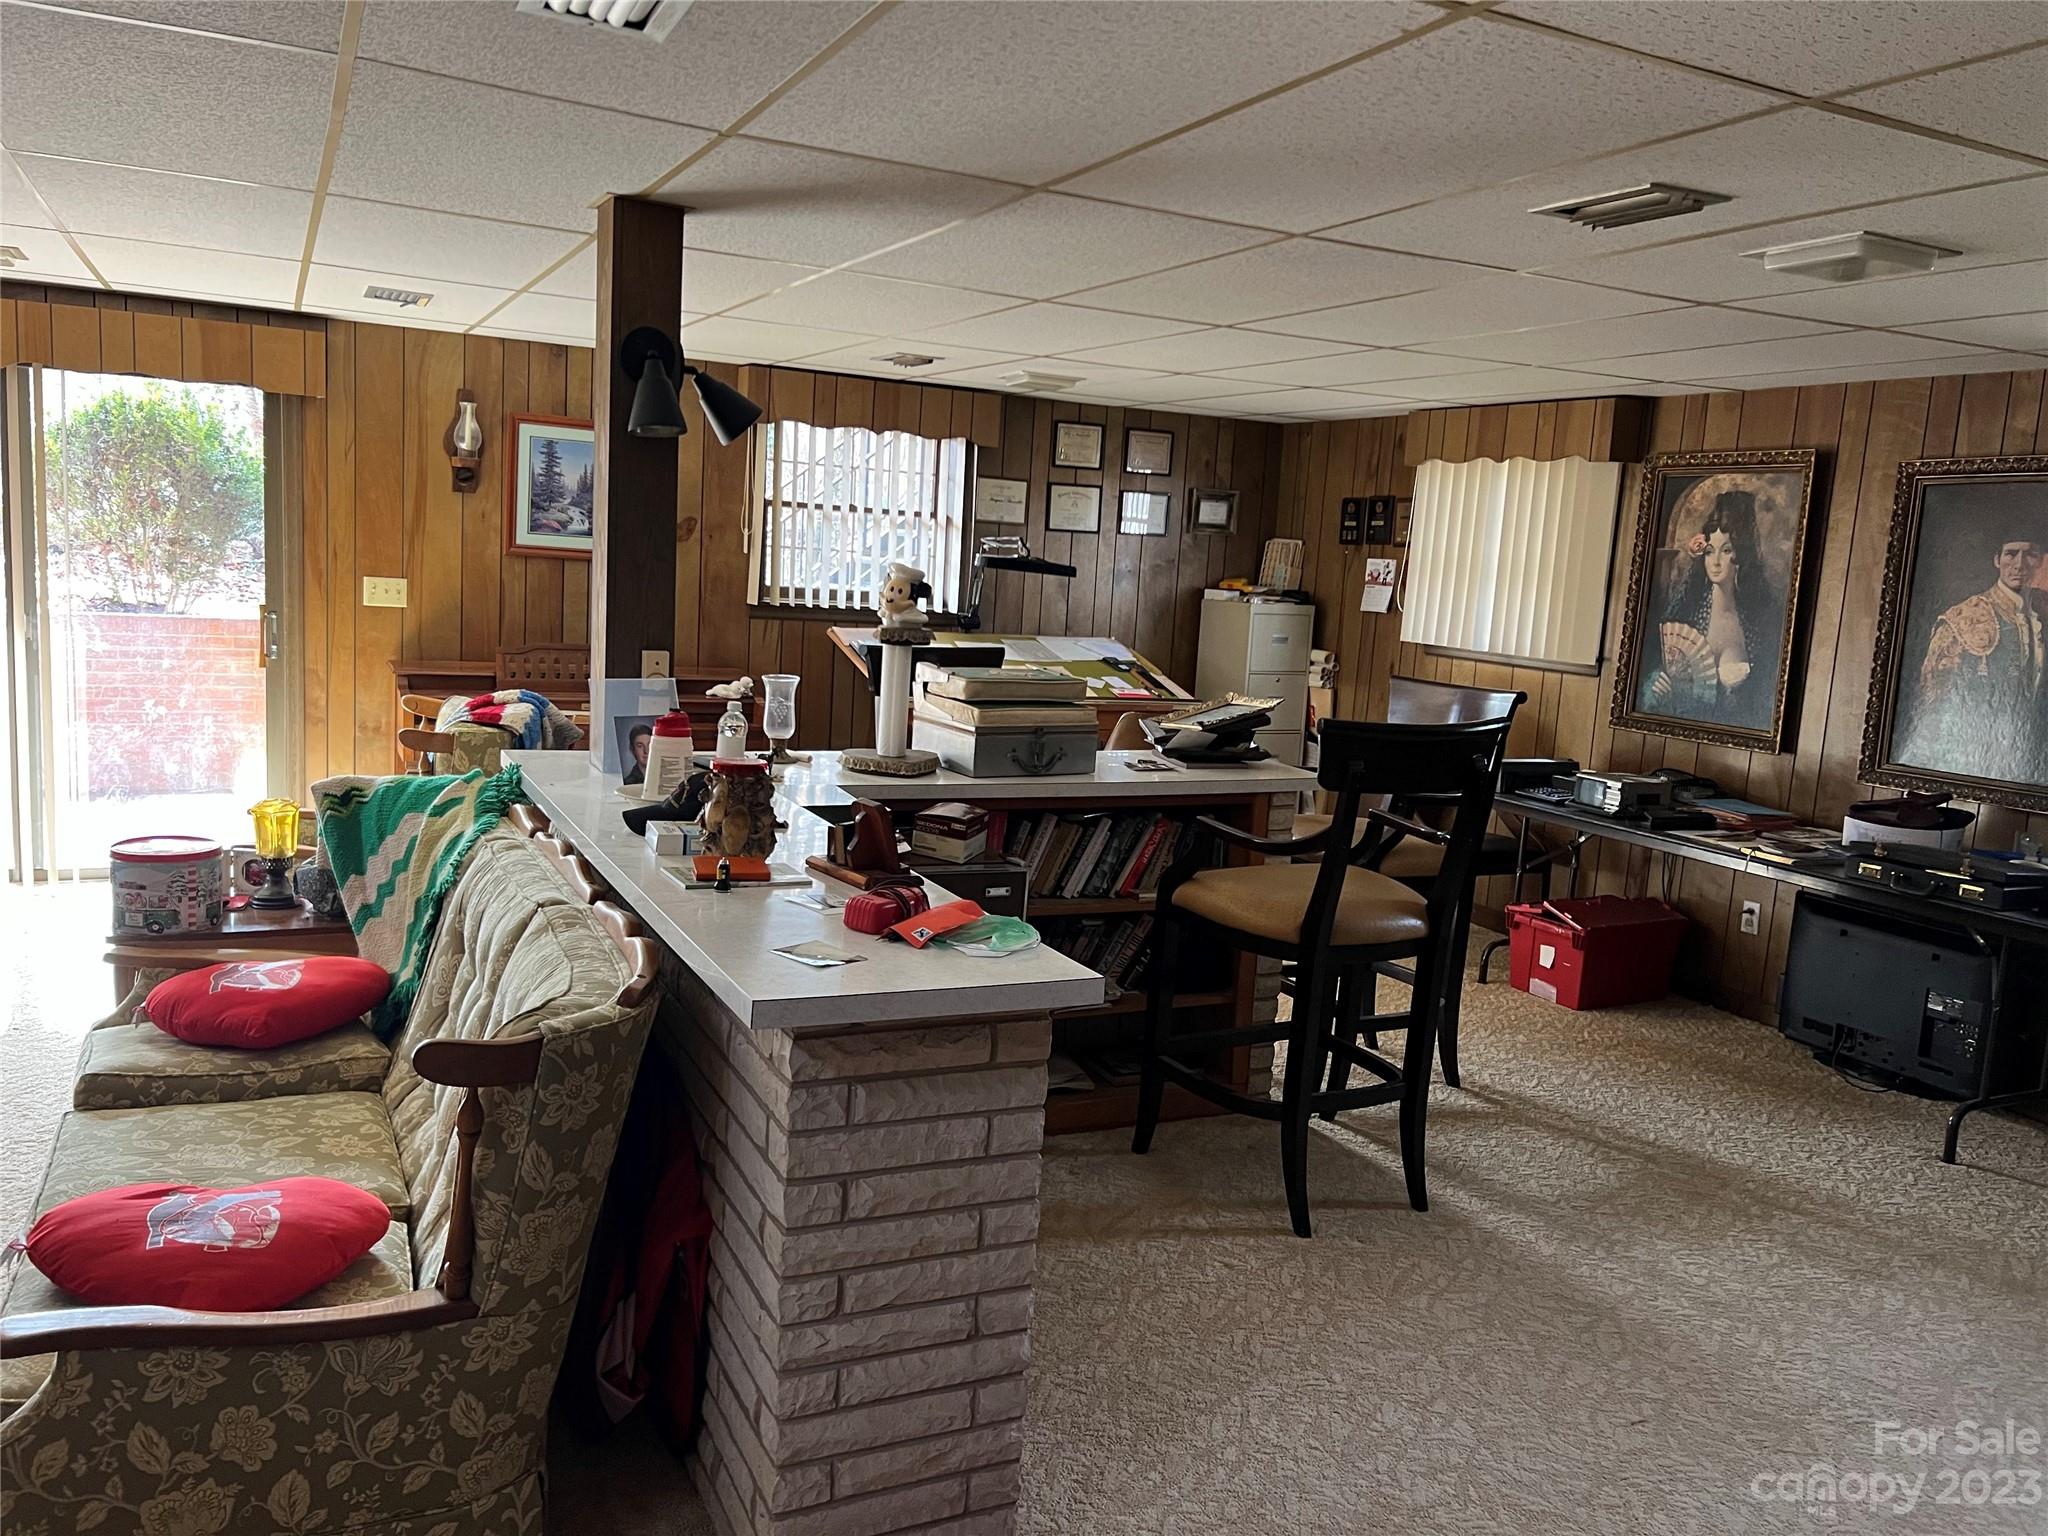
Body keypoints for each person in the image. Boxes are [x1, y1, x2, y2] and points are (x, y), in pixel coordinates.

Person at [1910, 532, 2046, 785]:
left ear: (2040, 561)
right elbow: (1935, 699)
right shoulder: (1964, 617)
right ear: (1997, 560)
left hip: (2033, 750)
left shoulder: (2043, 609)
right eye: (2011, 553)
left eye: (2030, 554)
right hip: (1978, 748)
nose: (2019, 564)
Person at [1642, 489, 1780, 731]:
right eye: (1709, 551)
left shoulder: (1759, 623)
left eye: (1726, 551)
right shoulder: (1686, 611)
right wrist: (1657, 687)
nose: (1715, 561)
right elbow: (1655, 672)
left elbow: (1765, 699)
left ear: (1740, 557)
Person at [622, 722, 654, 786]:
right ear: (632, 749)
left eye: (650, 744)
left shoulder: (664, 776)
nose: (646, 751)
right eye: (640, 746)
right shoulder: (629, 783)